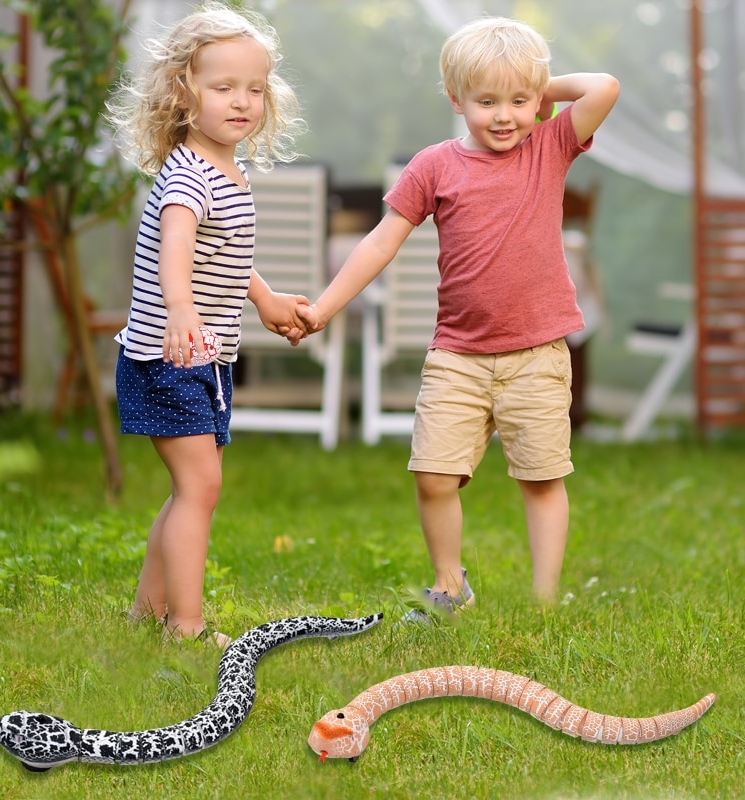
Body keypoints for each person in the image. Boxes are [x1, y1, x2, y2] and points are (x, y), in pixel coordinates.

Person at [298, 17, 619, 609]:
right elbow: (379, 242)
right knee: (434, 476)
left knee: (542, 478)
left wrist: (536, 86)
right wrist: (322, 307)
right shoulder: (434, 166)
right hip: (459, 356)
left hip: (537, 353)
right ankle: (450, 587)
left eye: (519, 101)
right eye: (487, 100)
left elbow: (604, 86)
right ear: (455, 98)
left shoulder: (548, 145)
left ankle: (545, 601)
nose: (505, 116)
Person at [107, 2, 308, 645]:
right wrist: (183, 311)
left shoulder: (231, 170)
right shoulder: (189, 178)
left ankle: (148, 613)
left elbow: (224, 255)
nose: (242, 101)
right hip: (169, 354)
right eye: (224, 88)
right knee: (201, 486)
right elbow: (176, 253)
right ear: (184, 94)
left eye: (254, 89)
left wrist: (265, 298)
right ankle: (186, 629)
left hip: (202, 356)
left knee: (190, 489)